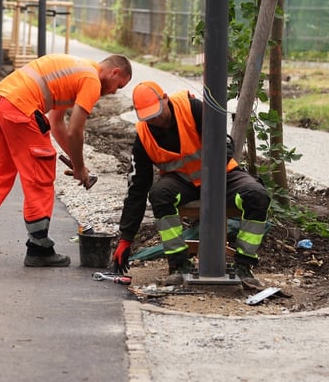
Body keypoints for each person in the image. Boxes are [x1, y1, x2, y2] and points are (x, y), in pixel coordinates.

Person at [0, 53, 132, 267]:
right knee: (40, 178)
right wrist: (80, 167)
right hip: (21, 108)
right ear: (115, 72)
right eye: (118, 86)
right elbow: (75, 131)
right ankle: (39, 247)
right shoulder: (91, 80)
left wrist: (76, 162)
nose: (112, 92)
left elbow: (57, 122)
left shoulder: (77, 69)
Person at [111, 81, 271, 287]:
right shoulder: (144, 136)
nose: (155, 120)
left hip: (222, 175)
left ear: (165, 99)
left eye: (157, 113)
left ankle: (244, 265)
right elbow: (137, 189)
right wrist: (126, 237)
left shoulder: (192, 108)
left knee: (257, 195)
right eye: (148, 117)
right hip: (181, 181)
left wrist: (212, 179)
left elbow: (225, 145)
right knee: (159, 194)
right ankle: (178, 265)